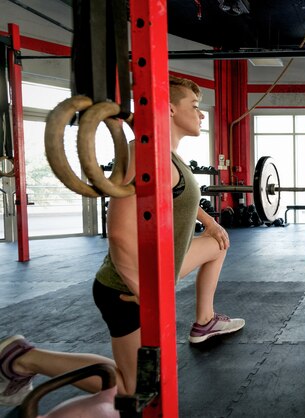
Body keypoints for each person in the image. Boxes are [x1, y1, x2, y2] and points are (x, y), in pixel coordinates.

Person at [0, 76, 244, 406]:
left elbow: (178, 196)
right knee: (132, 388)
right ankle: (21, 358)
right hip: (125, 290)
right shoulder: (145, 153)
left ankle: (204, 321)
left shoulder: (169, 156)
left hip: (158, 272)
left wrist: (210, 221)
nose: (202, 116)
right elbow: (118, 232)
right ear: (170, 109)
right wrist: (147, 294)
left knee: (218, 244)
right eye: (196, 107)